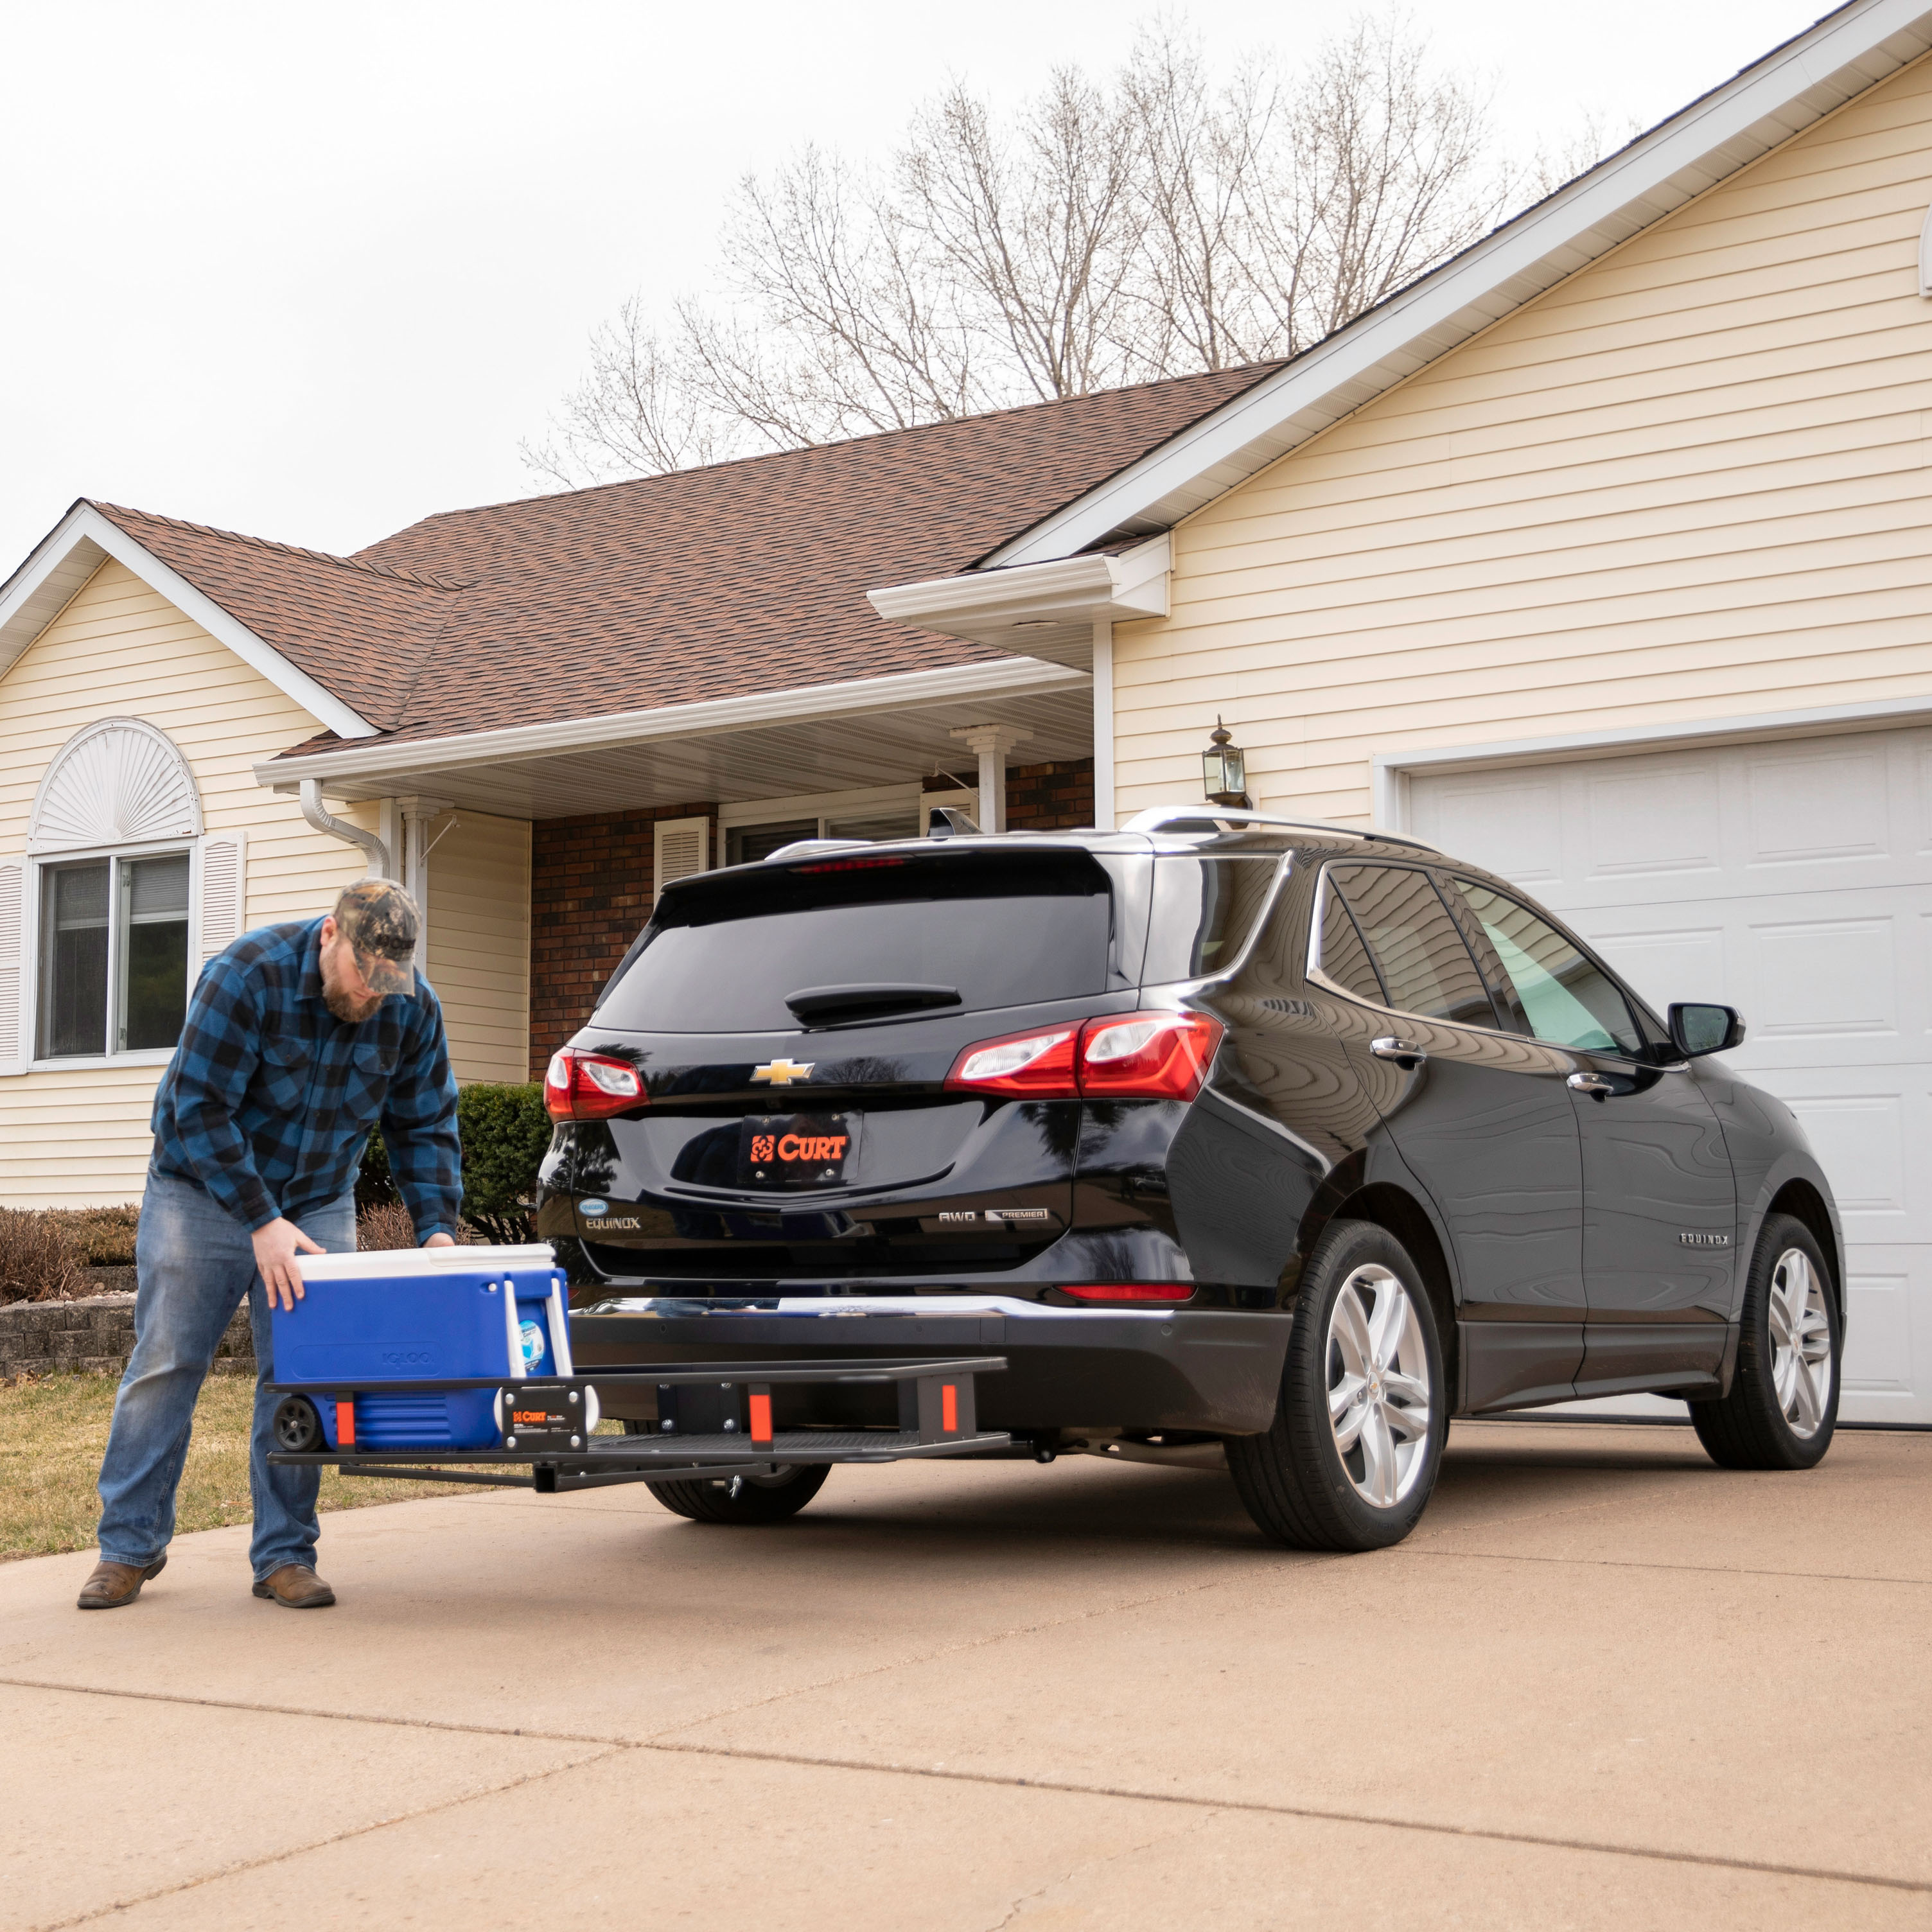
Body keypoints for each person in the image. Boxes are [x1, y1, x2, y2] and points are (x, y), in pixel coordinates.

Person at [80, 880, 462, 1611]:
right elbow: (196, 1107)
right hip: (201, 1193)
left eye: (388, 982)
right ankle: (126, 1547)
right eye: (362, 975)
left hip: (316, 1199)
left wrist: (436, 1226)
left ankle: (285, 1553)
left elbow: (424, 1123)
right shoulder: (246, 976)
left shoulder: (410, 1008)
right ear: (329, 935)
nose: (373, 995)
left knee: (303, 1374)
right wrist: (259, 1220)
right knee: (167, 1362)